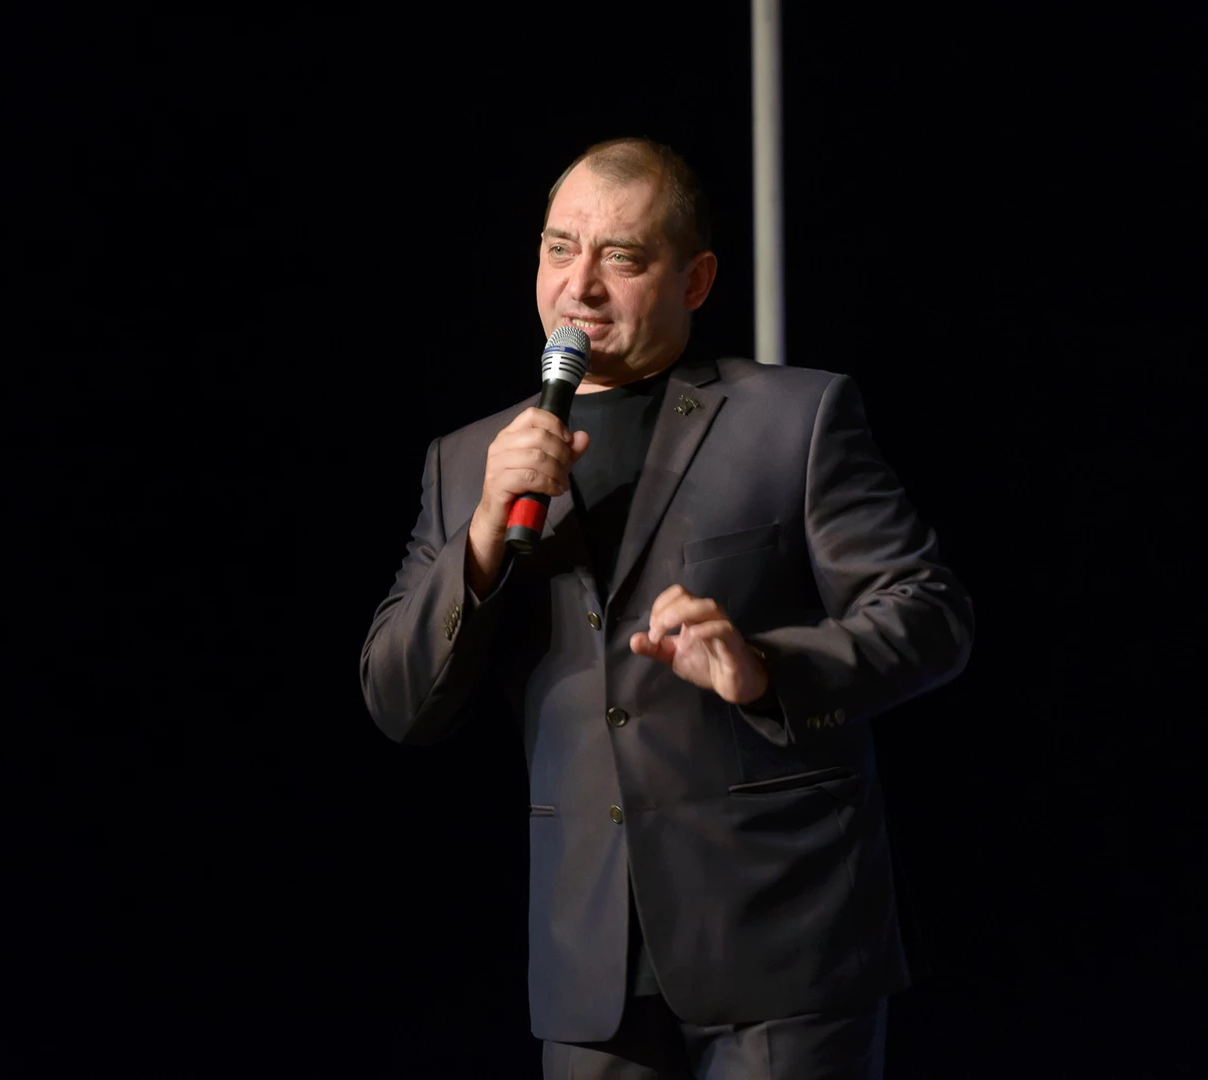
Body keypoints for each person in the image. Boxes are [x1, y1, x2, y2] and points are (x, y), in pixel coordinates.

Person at [359, 137, 975, 1079]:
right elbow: (396, 700)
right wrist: (481, 535)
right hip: (587, 967)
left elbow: (928, 615)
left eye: (621, 257)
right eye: (559, 248)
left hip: (781, 939)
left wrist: (765, 668)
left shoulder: (793, 418)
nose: (579, 286)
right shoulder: (470, 461)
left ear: (695, 280)